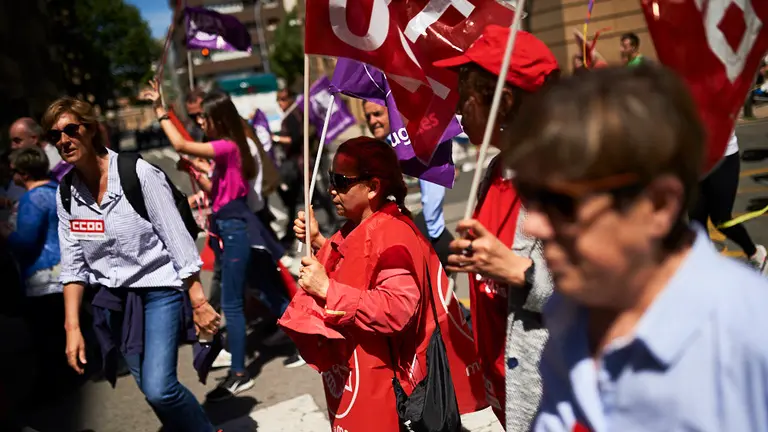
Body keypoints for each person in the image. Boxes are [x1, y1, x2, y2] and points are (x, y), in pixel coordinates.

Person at [506, 64, 768, 432]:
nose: (533, 224)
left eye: (562, 203)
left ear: (658, 205)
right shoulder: (571, 309)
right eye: (529, 197)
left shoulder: (751, 334)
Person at [280, 137, 485, 432]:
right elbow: (360, 268)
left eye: (341, 181)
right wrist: (319, 242)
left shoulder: (393, 236)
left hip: (394, 392)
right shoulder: (359, 226)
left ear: (373, 187)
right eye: (330, 179)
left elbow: (396, 309)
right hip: (363, 378)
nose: (331, 190)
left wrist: (328, 290)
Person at [43, 96, 219, 431]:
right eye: (55, 136)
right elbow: (73, 267)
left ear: (91, 130)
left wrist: (198, 300)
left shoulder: (136, 172)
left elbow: (177, 238)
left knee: (159, 388)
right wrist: (72, 329)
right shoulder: (66, 193)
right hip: (114, 301)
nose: (64, 140)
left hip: (158, 290)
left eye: (71, 129)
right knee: (148, 390)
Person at [433, 25, 559, 429]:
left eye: (465, 96)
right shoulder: (495, 169)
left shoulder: (562, 176)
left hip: (552, 393)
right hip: (507, 384)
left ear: (503, 101)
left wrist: (521, 272)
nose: (457, 108)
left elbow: (607, 291)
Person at [141, 81, 294, 400]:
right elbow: (217, 190)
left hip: (236, 230)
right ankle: (310, 341)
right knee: (267, 291)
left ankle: (239, 373)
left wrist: (160, 111)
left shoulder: (226, 146)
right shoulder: (229, 149)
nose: (201, 124)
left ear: (218, 120)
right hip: (233, 228)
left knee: (233, 304)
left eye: (204, 119)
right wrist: (197, 172)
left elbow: (182, 145)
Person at [0, 147, 73, 395]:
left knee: (47, 341)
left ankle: (54, 388)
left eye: (14, 172)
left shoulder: (33, 199)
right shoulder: (56, 190)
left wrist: (5, 232)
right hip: (65, 274)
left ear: (23, 174)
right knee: (61, 335)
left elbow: (25, 243)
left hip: (42, 278)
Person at [362, 99, 454, 272]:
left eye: (377, 114)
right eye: (368, 117)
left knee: (443, 296)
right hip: (402, 239)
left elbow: (432, 193)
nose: (373, 121)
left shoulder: (408, 145)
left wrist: (424, 238)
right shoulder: (376, 152)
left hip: (425, 238)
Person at [690, 131, 768, 273]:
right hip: (695, 160)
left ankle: (755, 253)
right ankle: (706, 263)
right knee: (696, 220)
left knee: (721, 220)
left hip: (723, 159)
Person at [273, 87, 338, 248]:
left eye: (283, 99)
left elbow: (295, 139)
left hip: (300, 164)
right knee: (298, 197)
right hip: (299, 163)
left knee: (312, 193)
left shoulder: (293, 116)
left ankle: (333, 220)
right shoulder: (292, 114)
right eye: (278, 99)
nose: (280, 103)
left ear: (290, 99)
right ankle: (290, 232)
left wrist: (276, 138)